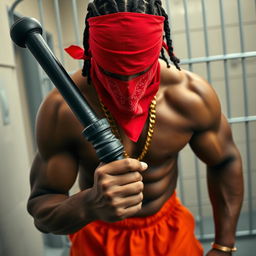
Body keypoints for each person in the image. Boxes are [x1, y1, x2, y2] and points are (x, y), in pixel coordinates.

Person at [27, 0, 244, 255]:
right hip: (98, 234)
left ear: (160, 50)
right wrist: (89, 203)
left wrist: (224, 245)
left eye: (141, 72)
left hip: (169, 232)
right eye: (114, 74)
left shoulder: (190, 96)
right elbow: (42, 212)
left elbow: (226, 161)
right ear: (91, 52)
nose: (129, 90)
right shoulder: (61, 110)